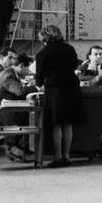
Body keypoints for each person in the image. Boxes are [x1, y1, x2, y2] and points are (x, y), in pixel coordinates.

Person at [34, 24, 85, 168]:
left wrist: (38, 83)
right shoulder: (69, 48)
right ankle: (67, 156)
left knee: (56, 124)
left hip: (55, 88)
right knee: (68, 123)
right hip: (71, 86)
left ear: (44, 37)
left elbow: (39, 77)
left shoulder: (42, 53)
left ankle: (58, 157)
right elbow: (74, 66)